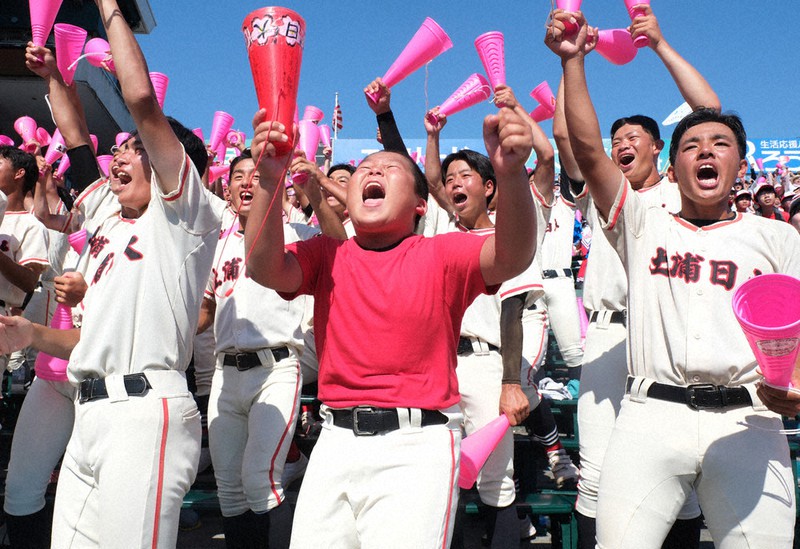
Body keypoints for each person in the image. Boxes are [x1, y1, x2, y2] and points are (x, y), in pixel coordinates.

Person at [549, 10, 800, 548]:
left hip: (748, 421)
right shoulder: (644, 219)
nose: (705, 150)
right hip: (651, 416)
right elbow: (590, 153)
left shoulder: (778, 238)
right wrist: (574, 63)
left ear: (740, 163)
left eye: (720, 144)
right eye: (691, 145)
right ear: (674, 165)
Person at [242, 104, 537, 548]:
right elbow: (264, 267)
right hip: (334, 444)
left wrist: (512, 176)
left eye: (389, 167)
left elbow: (512, 254)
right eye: (365, 167)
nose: (372, 168)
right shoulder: (328, 254)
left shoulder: (442, 254)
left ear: (420, 204)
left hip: (417, 448)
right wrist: (268, 181)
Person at [0, 0, 220, 546]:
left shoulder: (186, 218)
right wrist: (30, 334)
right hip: (89, 413)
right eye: (119, 148)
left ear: (175, 164)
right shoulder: (104, 225)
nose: (119, 157)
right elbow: (84, 339)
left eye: (136, 148)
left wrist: (111, 8)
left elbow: (141, 100)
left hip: (145, 416)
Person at [550, 4, 719, 546]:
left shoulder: (678, 192)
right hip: (607, 334)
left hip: (667, 330)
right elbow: (567, 139)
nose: (621, 143)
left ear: (659, 149)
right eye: (615, 137)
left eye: (633, 137)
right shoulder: (605, 196)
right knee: (597, 473)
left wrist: (659, 45)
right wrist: (572, 61)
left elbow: (710, 111)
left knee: (677, 472)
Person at [197, 152, 320, 548]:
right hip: (226, 371)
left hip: (277, 366)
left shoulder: (298, 233)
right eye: (237, 176)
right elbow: (205, 311)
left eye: (256, 174)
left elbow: (340, 239)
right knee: (230, 490)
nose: (246, 182)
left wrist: (309, 186)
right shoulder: (216, 245)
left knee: (260, 481)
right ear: (227, 190)